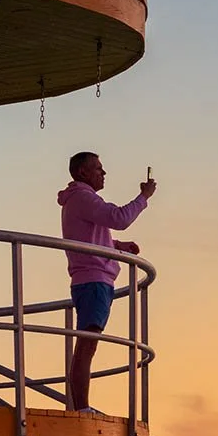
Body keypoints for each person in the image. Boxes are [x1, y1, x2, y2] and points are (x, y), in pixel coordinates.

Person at [58, 153, 156, 412]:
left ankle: (81, 406)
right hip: (93, 280)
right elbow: (118, 218)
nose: (104, 173)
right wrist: (143, 197)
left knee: (87, 343)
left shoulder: (77, 201)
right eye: (98, 169)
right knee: (87, 345)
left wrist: (116, 246)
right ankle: (81, 407)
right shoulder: (83, 198)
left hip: (90, 280)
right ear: (82, 172)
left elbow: (87, 238)